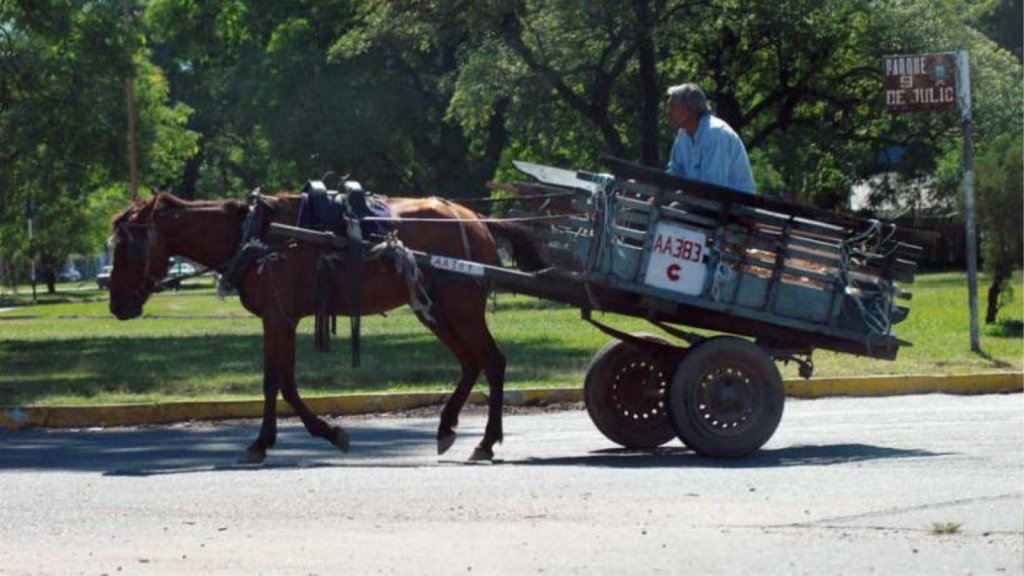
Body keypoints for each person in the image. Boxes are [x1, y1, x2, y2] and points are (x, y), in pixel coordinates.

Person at [665, 83, 756, 195]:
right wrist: (661, 195)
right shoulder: (683, 135)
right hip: (709, 205)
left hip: (735, 208)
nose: (668, 112)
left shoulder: (716, 134)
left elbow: (712, 188)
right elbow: (675, 173)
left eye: (672, 106)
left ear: (689, 110)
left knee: (674, 207)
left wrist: (674, 197)